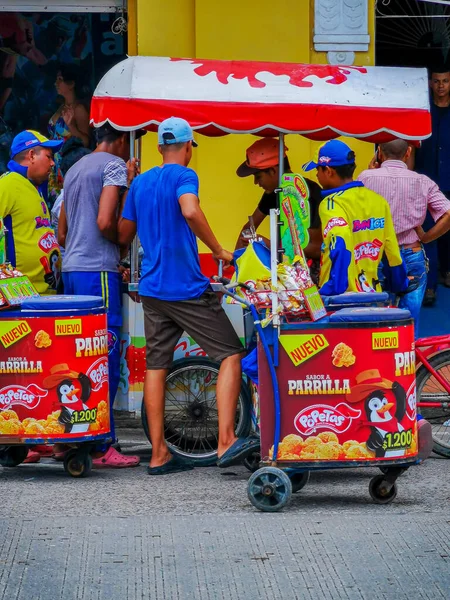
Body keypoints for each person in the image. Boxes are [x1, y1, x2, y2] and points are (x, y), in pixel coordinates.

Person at [118, 116, 259, 475]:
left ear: (159, 147)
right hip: (185, 288)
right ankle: (226, 440)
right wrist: (218, 250)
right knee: (230, 353)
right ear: (187, 147)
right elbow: (190, 209)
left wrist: (133, 190)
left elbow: (124, 233)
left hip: (152, 290)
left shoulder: (141, 183)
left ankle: (158, 453)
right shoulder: (184, 176)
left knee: (156, 366)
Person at [58, 122, 140, 468]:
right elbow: (108, 221)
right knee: (102, 357)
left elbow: (61, 232)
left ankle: (70, 436)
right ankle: (100, 445)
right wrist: (120, 242)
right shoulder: (114, 165)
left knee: (75, 359)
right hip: (97, 274)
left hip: (72, 270)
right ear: (122, 140)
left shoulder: (75, 168)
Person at [359, 139, 450, 336]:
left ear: (379, 153)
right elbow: (448, 214)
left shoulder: (366, 178)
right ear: (408, 153)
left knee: (377, 322)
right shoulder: (422, 181)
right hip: (412, 255)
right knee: (409, 323)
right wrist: (426, 238)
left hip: (377, 257)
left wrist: (369, 172)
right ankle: (407, 364)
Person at [302, 139, 408, 299]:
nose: (316, 174)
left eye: (318, 169)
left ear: (329, 171)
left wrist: (331, 291)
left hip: (341, 298)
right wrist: (399, 285)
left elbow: (339, 243)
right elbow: (392, 250)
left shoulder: (331, 203)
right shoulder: (378, 201)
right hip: (373, 295)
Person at [235, 138, 323, 278]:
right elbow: (249, 227)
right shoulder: (273, 192)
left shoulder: (306, 194)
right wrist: (236, 263)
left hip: (310, 277)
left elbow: (317, 249)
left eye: (258, 176)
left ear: (273, 171)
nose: (256, 182)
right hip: (283, 272)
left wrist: (267, 243)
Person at [0, 130, 62, 294]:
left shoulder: (35, 187)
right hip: (21, 298)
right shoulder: (9, 184)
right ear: (32, 155)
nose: (52, 164)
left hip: (42, 295)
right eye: (48, 157)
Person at [414, 66, 450, 304]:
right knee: (428, 231)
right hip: (426, 181)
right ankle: (430, 284)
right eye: (436, 81)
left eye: (445, 81)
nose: (440, 86)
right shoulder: (421, 112)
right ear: (429, 83)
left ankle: (447, 271)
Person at [51, 137, 91, 293]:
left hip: (70, 266)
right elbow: (62, 237)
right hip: (73, 268)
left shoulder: (72, 195)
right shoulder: (66, 198)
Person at [47, 64, 91, 208]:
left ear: (71, 84)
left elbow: (86, 142)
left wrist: (71, 126)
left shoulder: (79, 109)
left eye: (60, 80)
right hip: (55, 166)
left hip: (69, 165)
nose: (56, 83)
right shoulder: (61, 106)